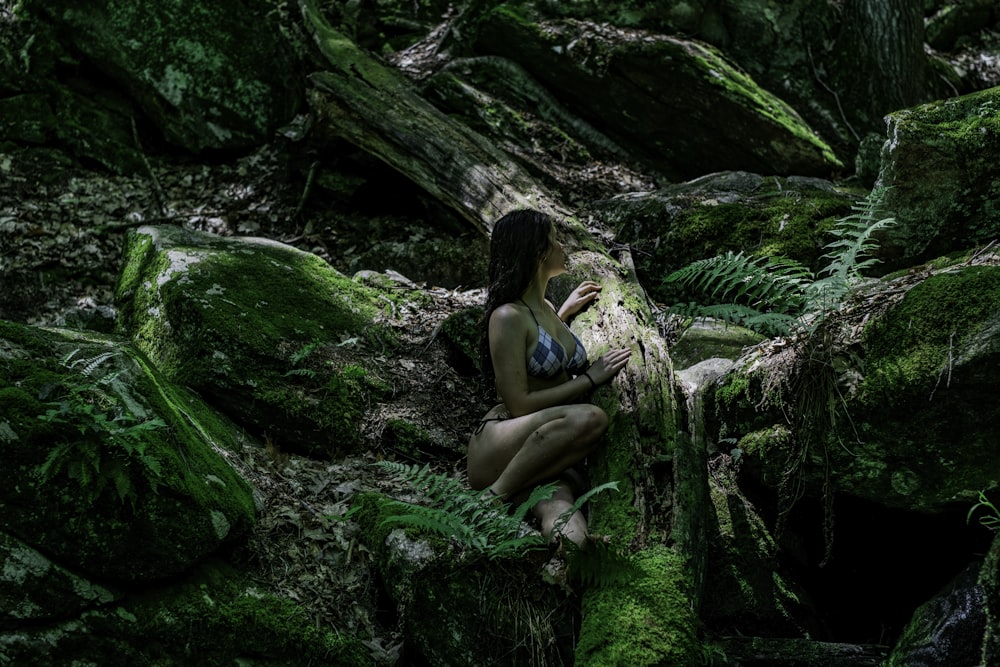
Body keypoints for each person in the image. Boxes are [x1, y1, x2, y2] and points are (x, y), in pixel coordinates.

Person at [467, 209, 631, 548]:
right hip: (501, 444)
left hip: (542, 452)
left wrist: (564, 312)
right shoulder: (507, 316)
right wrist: (589, 379)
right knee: (591, 417)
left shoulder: (546, 309)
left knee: (560, 507)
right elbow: (519, 403)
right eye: (555, 239)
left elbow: (543, 344)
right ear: (539, 250)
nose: (562, 246)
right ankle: (492, 499)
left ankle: (576, 568)